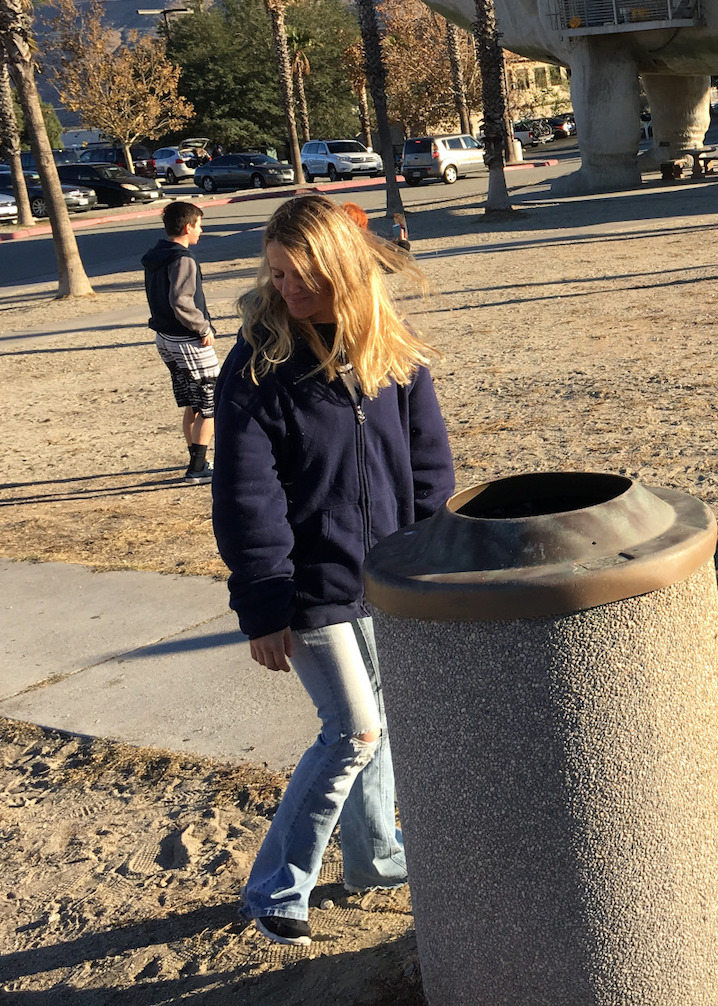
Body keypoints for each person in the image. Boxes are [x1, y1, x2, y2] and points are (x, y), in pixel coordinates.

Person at [212, 192, 455, 948]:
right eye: (278, 273)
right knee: (352, 732)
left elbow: (427, 466)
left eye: (303, 275)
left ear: (345, 271)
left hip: (384, 577)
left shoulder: (389, 349)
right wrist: (265, 606)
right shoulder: (257, 365)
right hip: (306, 588)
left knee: (380, 731)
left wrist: (426, 564)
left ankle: (377, 858)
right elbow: (246, 495)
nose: (287, 289)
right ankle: (275, 888)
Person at [142, 201, 217, 483]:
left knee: (192, 402)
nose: (201, 230)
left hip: (165, 338)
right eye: (199, 224)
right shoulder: (183, 258)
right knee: (210, 403)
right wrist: (203, 328)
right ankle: (197, 468)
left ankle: (197, 460)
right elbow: (181, 301)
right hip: (188, 340)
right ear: (188, 227)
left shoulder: (154, 255)